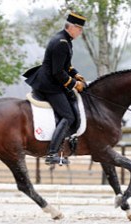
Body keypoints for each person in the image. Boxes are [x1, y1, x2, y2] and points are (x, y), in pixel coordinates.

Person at [23, 12, 87, 165]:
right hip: (49, 85)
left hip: (53, 81)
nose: (81, 32)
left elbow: (66, 65)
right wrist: (74, 84)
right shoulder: (61, 43)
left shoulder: (65, 40)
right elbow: (57, 72)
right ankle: (52, 153)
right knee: (69, 116)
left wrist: (76, 74)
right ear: (71, 27)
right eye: (79, 29)